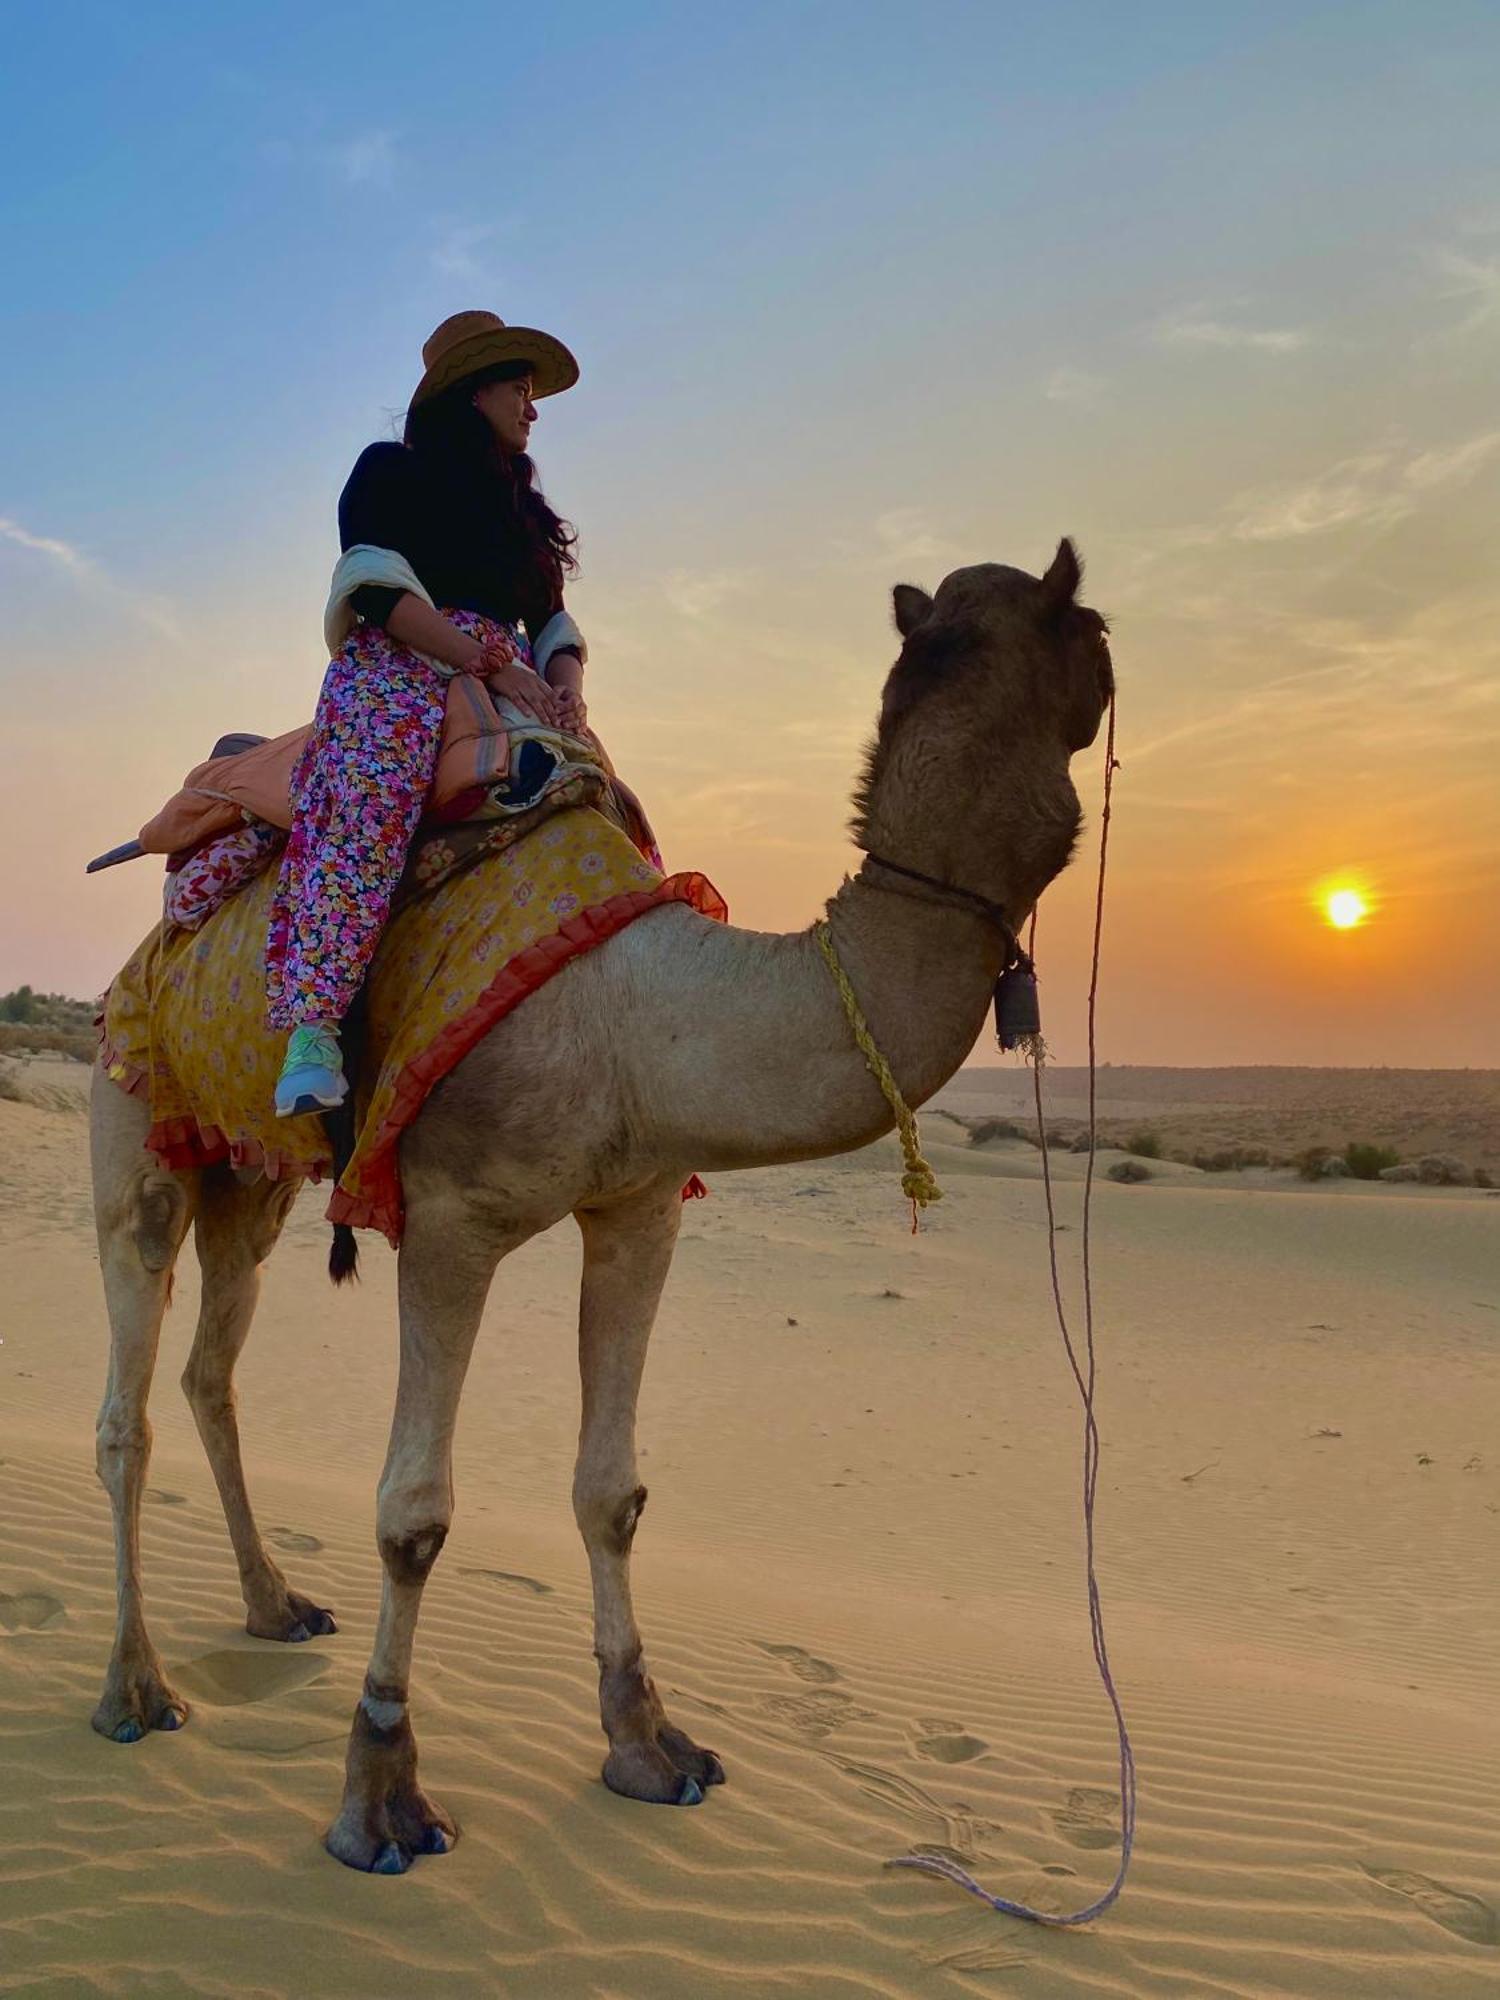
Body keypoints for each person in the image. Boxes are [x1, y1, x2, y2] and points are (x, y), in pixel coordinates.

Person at [266, 310, 584, 1115]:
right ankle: (313, 1030)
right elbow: (372, 584)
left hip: (508, 675)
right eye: (520, 389)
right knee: (373, 801)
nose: (533, 407)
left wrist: (565, 680)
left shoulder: (524, 511)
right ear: (474, 392)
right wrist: (479, 659)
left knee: (598, 802)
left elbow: (551, 619)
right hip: (405, 661)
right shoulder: (390, 474)